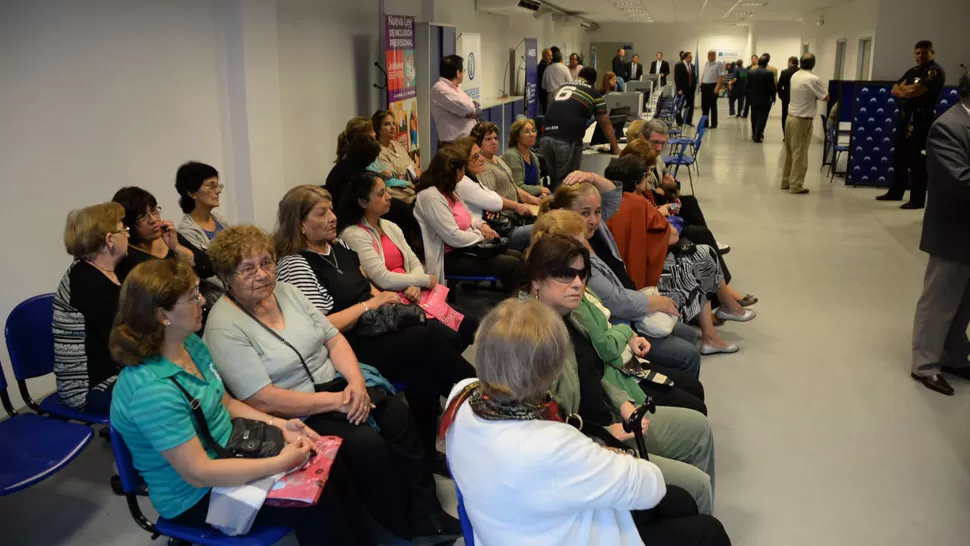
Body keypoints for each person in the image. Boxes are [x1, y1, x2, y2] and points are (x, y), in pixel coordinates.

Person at [202, 225, 462, 540]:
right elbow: (263, 398)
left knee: (397, 415)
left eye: (267, 263)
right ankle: (398, 524)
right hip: (296, 413)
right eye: (248, 269)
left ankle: (427, 514)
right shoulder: (224, 326)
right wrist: (339, 401)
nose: (262, 274)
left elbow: (333, 339)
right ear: (226, 276)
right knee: (367, 445)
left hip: (336, 385)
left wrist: (355, 384)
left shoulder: (286, 292)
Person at [108, 259, 379, 545]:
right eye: (192, 297)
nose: (202, 301)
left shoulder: (188, 344)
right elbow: (199, 473)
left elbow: (225, 401)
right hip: (195, 497)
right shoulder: (150, 390)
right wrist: (279, 463)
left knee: (331, 468)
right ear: (163, 315)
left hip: (232, 451)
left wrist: (282, 425)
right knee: (315, 500)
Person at [443, 298, 730, 545]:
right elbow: (649, 485)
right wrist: (609, 455)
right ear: (551, 371)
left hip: (503, 525)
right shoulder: (552, 444)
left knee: (678, 502)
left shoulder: (462, 395)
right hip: (554, 533)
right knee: (707, 531)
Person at [522, 236, 719, 515]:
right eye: (565, 275)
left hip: (612, 417)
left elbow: (595, 368)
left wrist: (621, 401)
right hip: (590, 445)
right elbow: (542, 428)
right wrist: (603, 437)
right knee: (696, 486)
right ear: (536, 281)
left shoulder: (569, 315)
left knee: (699, 427)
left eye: (581, 274)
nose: (577, 283)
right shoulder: (527, 338)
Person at [270, 188, 476, 455]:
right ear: (300, 224)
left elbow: (365, 285)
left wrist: (386, 299)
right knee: (424, 341)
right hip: (345, 344)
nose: (333, 218)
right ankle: (482, 400)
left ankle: (430, 447)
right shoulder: (296, 264)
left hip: (374, 327)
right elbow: (321, 328)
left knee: (424, 363)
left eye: (331, 209)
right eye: (322, 213)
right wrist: (370, 304)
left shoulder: (339, 248)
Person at [529, 210, 707, 415]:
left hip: (622, 358)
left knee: (692, 377)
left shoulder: (578, 282)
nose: (577, 282)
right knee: (690, 369)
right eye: (579, 245)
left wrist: (629, 336)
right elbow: (606, 350)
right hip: (618, 370)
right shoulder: (567, 307)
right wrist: (627, 330)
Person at [537, 174, 706, 376]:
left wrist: (591, 177)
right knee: (689, 355)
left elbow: (612, 196)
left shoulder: (597, 230)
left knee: (689, 335)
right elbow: (615, 302)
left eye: (597, 212)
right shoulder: (574, 256)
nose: (593, 219)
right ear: (565, 213)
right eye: (584, 213)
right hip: (621, 323)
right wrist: (655, 302)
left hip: (631, 311)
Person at [601, 152, 755, 354]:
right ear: (638, 181)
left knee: (700, 254)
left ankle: (721, 318)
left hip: (626, 273)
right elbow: (670, 236)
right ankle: (719, 322)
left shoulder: (607, 206)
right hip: (642, 279)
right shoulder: (637, 204)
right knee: (695, 262)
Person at [909, 72, 970, 396]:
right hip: (954, 230)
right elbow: (959, 179)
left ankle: (955, 356)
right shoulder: (949, 126)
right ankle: (925, 365)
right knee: (941, 300)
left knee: (964, 302)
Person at [413, 147, 525, 291]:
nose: (464, 173)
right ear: (456, 172)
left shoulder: (449, 190)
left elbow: (467, 217)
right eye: (462, 169)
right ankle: (513, 308)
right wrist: (480, 236)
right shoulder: (431, 196)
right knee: (511, 265)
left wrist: (482, 226)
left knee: (518, 256)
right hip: (449, 256)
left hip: (466, 247)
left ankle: (520, 302)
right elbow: (453, 237)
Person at [52, 203, 128, 414]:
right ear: (110, 239)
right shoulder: (84, 280)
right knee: (166, 387)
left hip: (115, 369)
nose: (128, 236)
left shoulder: (113, 271)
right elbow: (124, 338)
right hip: (90, 388)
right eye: (125, 230)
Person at [327, 121, 420, 250]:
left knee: (403, 210)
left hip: (362, 208)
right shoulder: (353, 176)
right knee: (403, 211)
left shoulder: (352, 167)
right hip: (354, 215)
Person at [877, 40, 947, 209]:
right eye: (917, 53)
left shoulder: (934, 72)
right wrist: (906, 92)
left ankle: (917, 199)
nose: (920, 56)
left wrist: (907, 91)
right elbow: (895, 89)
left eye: (924, 53)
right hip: (905, 119)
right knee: (900, 157)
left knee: (918, 162)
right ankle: (896, 191)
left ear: (932, 53)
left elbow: (917, 91)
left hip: (922, 121)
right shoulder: (913, 71)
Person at [540, 66, 620, 190]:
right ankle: (561, 208)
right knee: (567, 183)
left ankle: (552, 207)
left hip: (545, 138)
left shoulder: (560, 88)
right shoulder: (594, 94)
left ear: (579, 76)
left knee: (554, 179)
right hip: (567, 139)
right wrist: (616, 148)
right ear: (593, 82)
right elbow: (606, 124)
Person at [453, 135, 535, 251]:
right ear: (463, 161)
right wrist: (499, 206)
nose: (481, 159)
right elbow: (494, 202)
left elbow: (491, 196)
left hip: (498, 227)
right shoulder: (463, 183)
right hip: (495, 235)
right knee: (547, 227)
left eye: (480, 153)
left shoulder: (473, 177)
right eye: (475, 156)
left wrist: (493, 206)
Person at [112, 186, 209, 282]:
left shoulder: (168, 235)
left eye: (154, 211)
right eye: (142, 217)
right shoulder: (127, 255)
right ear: (127, 224)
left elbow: (207, 269)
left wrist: (176, 247)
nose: (153, 220)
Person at [175, 161, 229, 307]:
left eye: (218, 186)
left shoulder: (220, 220)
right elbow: (208, 276)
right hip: (217, 298)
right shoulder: (187, 232)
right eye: (211, 186)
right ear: (192, 193)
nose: (218, 191)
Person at [781, 53, 829, 195]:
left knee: (789, 152)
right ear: (813, 64)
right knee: (800, 154)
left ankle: (786, 181)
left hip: (790, 118)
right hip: (802, 121)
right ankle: (796, 185)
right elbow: (826, 97)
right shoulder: (813, 79)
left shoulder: (795, 76)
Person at [430, 54, 478, 147]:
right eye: (462, 71)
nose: (463, 74)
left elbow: (473, 105)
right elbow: (468, 108)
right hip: (453, 146)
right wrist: (471, 110)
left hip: (465, 143)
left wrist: (472, 109)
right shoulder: (440, 88)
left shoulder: (455, 88)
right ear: (457, 72)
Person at [501, 117, 549, 198]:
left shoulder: (533, 156)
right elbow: (518, 187)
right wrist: (540, 190)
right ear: (516, 136)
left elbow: (538, 182)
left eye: (533, 131)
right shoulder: (512, 155)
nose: (532, 134)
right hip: (519, 200)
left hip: (534, 197)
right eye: (526, 132)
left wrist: (542, 193)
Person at [372, 109, 420, 188]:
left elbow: (415, 169)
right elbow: (393, 178)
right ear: (378, 128)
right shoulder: (378, 151)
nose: (392, 127)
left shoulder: (397, 145)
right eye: (387, 124)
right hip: (399, 191)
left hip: (414, 185)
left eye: (393, 123)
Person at [747, 55, 776, 143]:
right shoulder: (769, 73)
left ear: (758, 62)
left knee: (754, 116)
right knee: (762, 117)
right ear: (766, 63)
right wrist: (773, 97)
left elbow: (747, 85)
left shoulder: (751, 72)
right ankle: (758, 135)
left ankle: (754, 133)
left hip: (753, 97)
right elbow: (772, 87)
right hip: (765, 98)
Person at [699, 51, 723, 129]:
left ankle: (714, 124)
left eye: (710, 55)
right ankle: (705, 123)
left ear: (714, 56)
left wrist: (718, 86)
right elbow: (704, 73)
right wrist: (701, 82)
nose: (709, 57)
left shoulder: (719, 63)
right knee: (704, 106)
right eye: (708, 55)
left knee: (713, 105)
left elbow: (721, 75)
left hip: (713, 85)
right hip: (705, 85)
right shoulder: (707, 63)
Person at [777, 56, 799, 134]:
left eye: (788, 62)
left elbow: (779, 86)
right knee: (797, 118)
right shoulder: (800, 72)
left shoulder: (785, 72)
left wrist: (782, 96)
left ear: (790, 62)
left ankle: (786, 135)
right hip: (798, 99)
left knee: (785, 117)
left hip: (786, 98)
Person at [674, 52, 697, 126]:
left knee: (691, 105)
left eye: (691, 57)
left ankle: (688, 120)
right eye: (690, 57)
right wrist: (679, 89)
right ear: (685, 57)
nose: (691, 58)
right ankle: (679, 121)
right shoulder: (679, 65)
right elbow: (677, 78)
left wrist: (694, 86)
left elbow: (693, 77)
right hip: (682, 89)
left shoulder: (692, 66)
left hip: (691, 89)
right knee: (679, 106)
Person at [537, 48, 552, 114]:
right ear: (544, 55)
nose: (551, 58)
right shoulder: (543, 65)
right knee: (545, 110)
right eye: (549, 55)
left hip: (545, 92)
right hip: (543, 92)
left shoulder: (546, 65)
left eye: (551, 56)